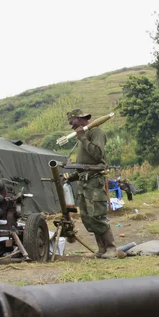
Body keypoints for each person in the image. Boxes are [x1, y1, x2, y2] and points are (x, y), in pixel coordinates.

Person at [65, 109, 117, 259]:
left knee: (97, 215)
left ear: (80, 119)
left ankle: (111, 248)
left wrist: (83, 138)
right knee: (88, 218)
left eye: (72, 122)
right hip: (84, 183)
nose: (71, 126)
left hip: (94, 182)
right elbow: (84, 165)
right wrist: (71, 177)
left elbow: (97, 154)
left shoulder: (95, 132)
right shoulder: (83, 137)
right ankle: (102, 249)